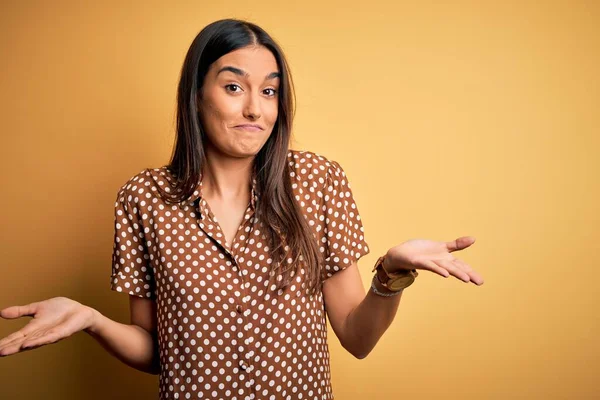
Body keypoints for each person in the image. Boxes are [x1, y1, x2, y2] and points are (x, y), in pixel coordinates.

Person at [0, 18, 484, 400]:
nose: (256, 109)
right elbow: (157, 351)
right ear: (195, 96)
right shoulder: (142, 198)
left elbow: (357, 339)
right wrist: (91, 319)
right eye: (234, 87)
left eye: (269, 91)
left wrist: (391, 275)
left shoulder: (318, 183)